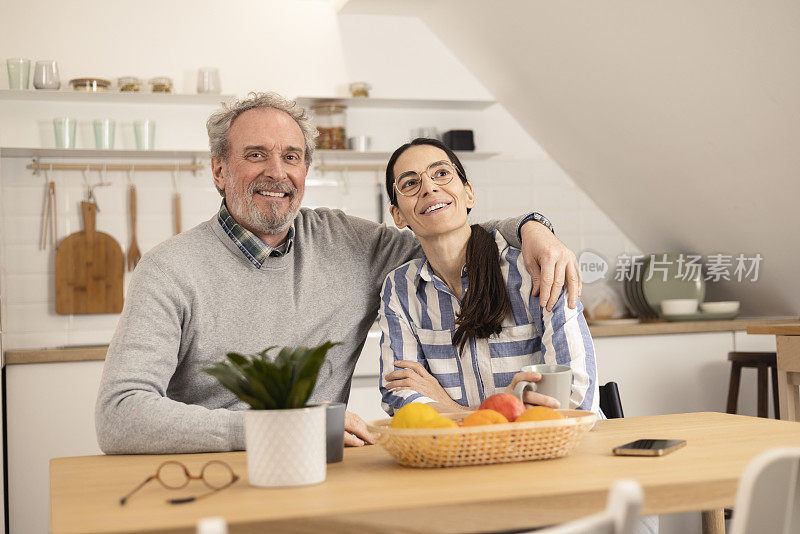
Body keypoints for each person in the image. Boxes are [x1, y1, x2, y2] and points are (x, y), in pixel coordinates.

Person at [95, 92, 583, 454]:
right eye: (255, 155)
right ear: (219, 171)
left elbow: (444, 234)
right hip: (217, 475)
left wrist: (531, 228)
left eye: (291, 157)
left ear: (306, 169)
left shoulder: (345, 240)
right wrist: (272, 429)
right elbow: (119, 417)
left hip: (327, 473)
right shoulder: (169, 269)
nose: (276, 171)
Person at [378, 138, 599, 415]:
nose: (429, 187)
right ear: (398, 215)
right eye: (410, 183)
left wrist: (453, 409)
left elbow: (576, 396)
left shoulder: (536, 269)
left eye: (442, 174)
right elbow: (398, 395)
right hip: (461, 456)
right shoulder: (400, 288)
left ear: (468, 193)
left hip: (555, 451)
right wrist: (499, 410)